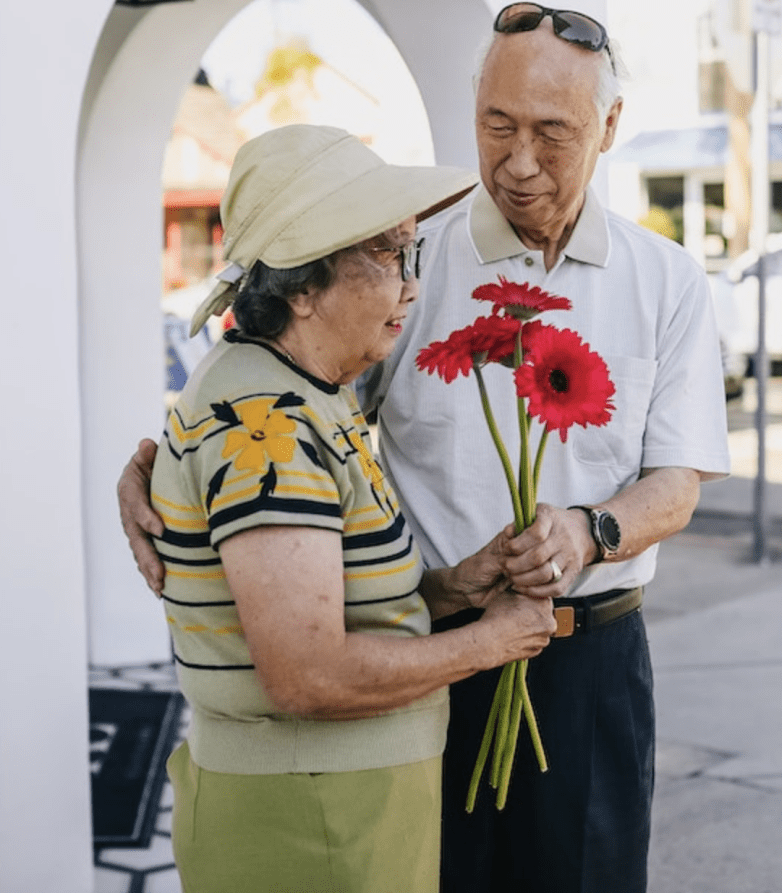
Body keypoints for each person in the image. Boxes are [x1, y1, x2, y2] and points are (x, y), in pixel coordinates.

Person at [120, 6, 731, 892]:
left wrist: (588, 531)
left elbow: (675, 482)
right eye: (496, 126)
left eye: (552, 134)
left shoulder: (665, 278)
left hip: (590, 664)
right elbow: (281, 396)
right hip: (420, 655)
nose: (518, 163)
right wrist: (155, 472)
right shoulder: (400, 259)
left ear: (608, 128)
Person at [132, 123, 555, 893]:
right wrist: (490, 643)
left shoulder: (300, 396)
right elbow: (307, 676)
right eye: (387, 254)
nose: (411, 284)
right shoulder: (271, 427)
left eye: (410, 252)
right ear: (300, 285)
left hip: (333, 804)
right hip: (310, 819)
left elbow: (334, 606)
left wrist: (455, 586)